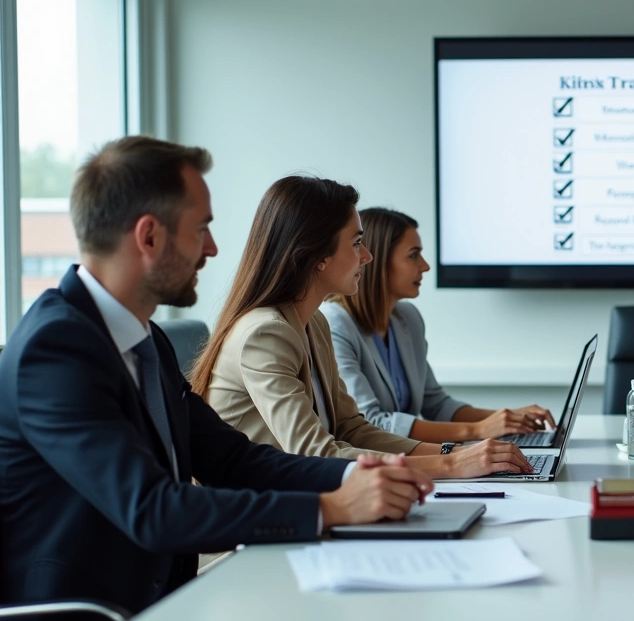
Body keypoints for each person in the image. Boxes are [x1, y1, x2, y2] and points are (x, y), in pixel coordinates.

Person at [0, 136, 433, 615]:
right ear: (149, 237)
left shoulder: (145, 340)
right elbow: (153, 509)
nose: (212, 248)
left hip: (165, 599)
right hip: (92, 610)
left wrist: (359, 474)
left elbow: (234, 460)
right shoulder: (55, 349)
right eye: (201, 228)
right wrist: (331, 507)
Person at [191, 176, 532, 478]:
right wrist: (452, 465)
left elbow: (351, 429)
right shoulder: (265, 334)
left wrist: (453, 454)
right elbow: (315, 454)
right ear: (318, 256)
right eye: (356, 243)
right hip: (253, 519)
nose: (366, 256)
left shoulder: (314, 323)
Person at [319, 208, 555, 443]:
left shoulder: (407, 318)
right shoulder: (334, 324)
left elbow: (437, 404)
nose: (425, 266)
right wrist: (477, 431)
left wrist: (509, 419)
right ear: (378, 261)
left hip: (406, 455)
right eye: (413, 255)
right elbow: (370, 422)